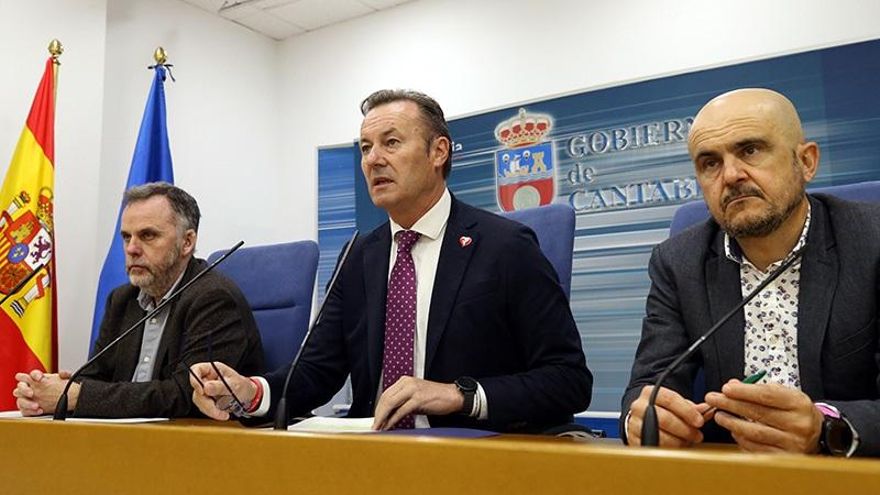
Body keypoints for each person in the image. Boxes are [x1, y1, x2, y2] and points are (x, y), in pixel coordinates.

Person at [191, 89, 592, 432]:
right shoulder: (358, 256)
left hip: (474, 456)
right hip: (374, 457)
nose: (373, 159)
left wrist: (458, 395)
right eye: (366, 148)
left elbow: (568, 379)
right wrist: (251, 391)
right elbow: (313, 374)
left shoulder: (506, 247)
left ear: (438, 152)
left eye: (391, 143)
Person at [622, 88, 879, 457]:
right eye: (710, 162)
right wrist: (644, 417)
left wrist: (827, 428)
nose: (731, 175)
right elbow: (648, 385)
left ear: (806, 161)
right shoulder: (678, 262)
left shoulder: (872, 242)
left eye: (751, 150)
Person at [13, 182, 264, 418]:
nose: (132, 248)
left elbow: (186, 395)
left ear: (187, 242)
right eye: (126, 237)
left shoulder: (213, 297)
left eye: (147, 236)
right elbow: (94, 376)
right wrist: (48, 391)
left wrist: (78, 395)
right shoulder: (123, 300)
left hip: (194, 446)